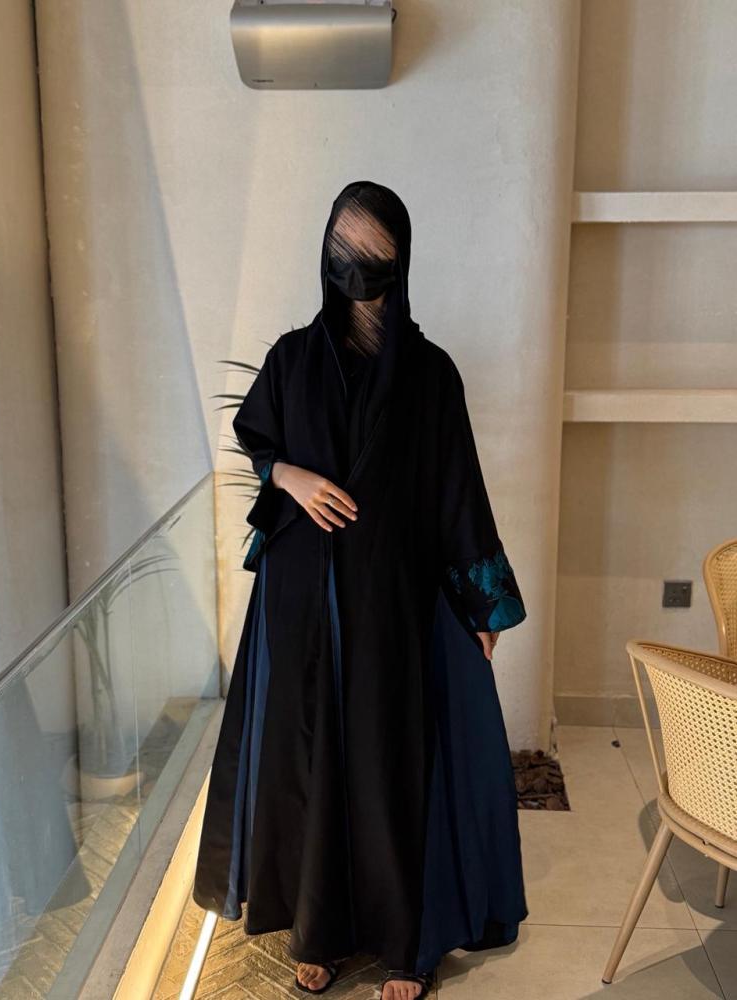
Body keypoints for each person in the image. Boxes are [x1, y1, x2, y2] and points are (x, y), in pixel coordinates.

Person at [193, 180, 529, 999]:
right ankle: (320, 931)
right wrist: (293, 477)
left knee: (388, 760)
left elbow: (457, 490)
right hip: (303, 599)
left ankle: (408, 944)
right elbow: (257, 437)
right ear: (325, 251)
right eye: (345, 250)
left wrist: (481, 607)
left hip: (393, 602)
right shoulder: (291, 359)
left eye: (374, 253)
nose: (357, 266)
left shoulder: (431, 374)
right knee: (309, 760)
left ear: (401, 258)